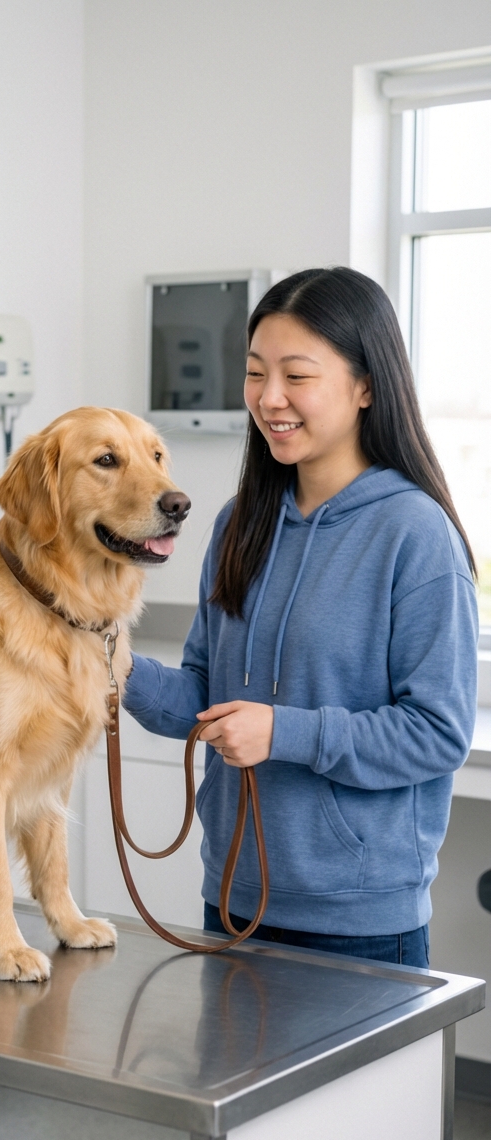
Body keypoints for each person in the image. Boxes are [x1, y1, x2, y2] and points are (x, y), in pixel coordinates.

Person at [124, 267, 478, 967]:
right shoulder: (237, 524)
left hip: (362, 920)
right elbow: (204, 698)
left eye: (297, 376)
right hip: (234, 899)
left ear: (366, 385)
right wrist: (113, 668)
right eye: (256, 373)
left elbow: (438, 734)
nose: (270, 398)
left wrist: (283, 732)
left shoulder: (415, 533)